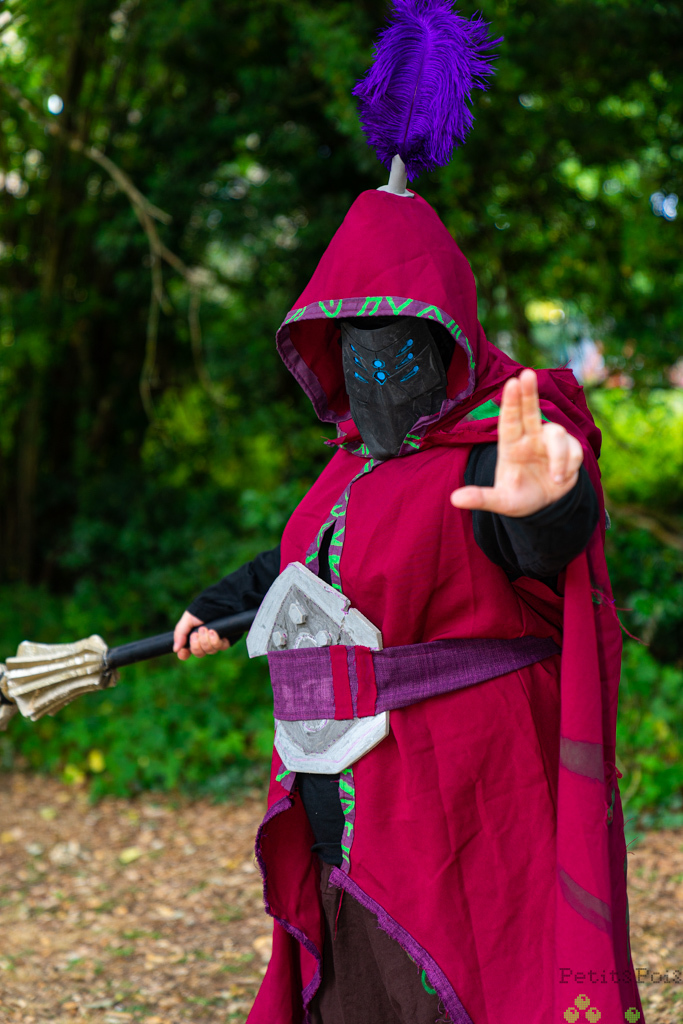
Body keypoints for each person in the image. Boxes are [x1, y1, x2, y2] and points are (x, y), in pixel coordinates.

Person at [173, 3, 642, 1019]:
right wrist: (218, 604)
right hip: (340, 801)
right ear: (323, 350)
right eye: (353, 349)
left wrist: (549, 505)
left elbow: (533, 546)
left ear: (447, 338)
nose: (375, 375)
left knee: (461, 987)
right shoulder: (346, 471)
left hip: (462, 797)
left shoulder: (486, 453)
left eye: (398, 347)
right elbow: (305, 573)